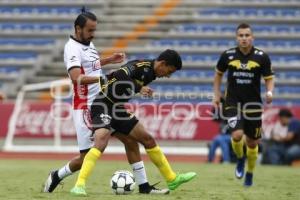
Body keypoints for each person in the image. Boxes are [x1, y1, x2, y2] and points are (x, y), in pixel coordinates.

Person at [43, 8, 169, 195]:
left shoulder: (88, 45)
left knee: (131, 140)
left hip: (105, 102)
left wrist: (109, 60)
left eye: (95, 30)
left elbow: (90, 66)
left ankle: (144, 187)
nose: (93, 34)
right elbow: (77, 77)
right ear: (78, 28)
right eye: (90, 31)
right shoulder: (71, 48)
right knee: (86, 157)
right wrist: (105, 79)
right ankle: (57, 175)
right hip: (87, 105)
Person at [70, 49, 197, 196]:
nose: (168, 75)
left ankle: (170, 179)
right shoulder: (142, 65)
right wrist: (139, 88)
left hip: (118, 109)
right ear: (162, 63)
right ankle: (79, 185)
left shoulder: (152, 74)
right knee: (101, 142)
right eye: (169, 71)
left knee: (147, 139)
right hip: (103, 105)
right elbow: (119, 74)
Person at [213, 23, 274, 187]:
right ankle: (240, 159)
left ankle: (250, 172)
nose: (244, 38)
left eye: (247, 35)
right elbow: (218, 74)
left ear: (252, 37)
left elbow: (269, 78)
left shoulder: (262, 57)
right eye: (241, 35)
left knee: (253, 143)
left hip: (253, 104)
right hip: (232, 102)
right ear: (236, 38)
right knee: (237, 135)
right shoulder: (228, 55)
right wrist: (216, 95)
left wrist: (270, 92)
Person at [208, 96, 232, 163]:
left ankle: (226, 161)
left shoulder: (232, 112)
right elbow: (214, 118)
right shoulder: (222, 113)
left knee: (221, 139)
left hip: (232, 136)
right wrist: (215, 107)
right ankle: (209, 160)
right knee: (216, 139)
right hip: (222, 136)